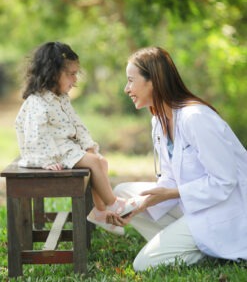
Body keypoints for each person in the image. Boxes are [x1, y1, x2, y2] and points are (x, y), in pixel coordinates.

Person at [106, 46, 247, 271]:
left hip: (224, 210)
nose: (126, 89)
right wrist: (142, 204)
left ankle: (207, 248)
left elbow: (225, 181)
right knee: (124, 193)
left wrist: (171, 193)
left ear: (154, 81)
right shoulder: (159, 120)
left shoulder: (196, 118)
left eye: (131, 81)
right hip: (194, 206)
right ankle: (186, 242)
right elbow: (171, 179)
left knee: (144, 264)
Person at [15, 41, 142, 235]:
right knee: (94, 162)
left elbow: (77, 125)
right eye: (71, 74)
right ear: (52, 73)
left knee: (101, 162)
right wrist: (47, 161)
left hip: (69, 149)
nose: (75, 79)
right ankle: (113, 204)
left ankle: (100, 213)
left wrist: (88, 145)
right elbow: (35, 134)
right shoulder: (38, 102)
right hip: (55, 152)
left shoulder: (62, 99)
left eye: (76, 73)